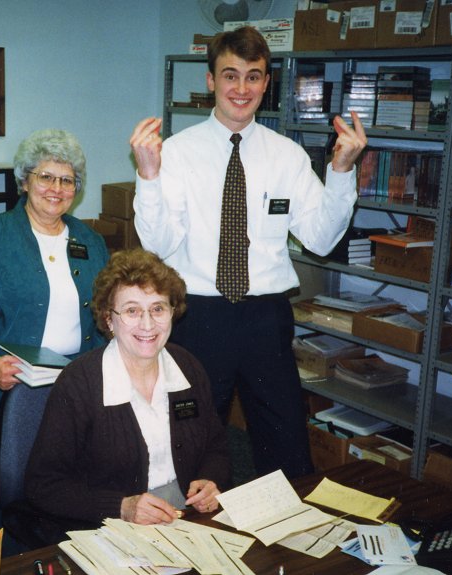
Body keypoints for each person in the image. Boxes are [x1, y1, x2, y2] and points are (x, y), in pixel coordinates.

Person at [129, 26, 368, 480]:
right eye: (231, 75)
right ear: (211, 81)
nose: (242, 88)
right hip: (199, 316)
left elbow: (320, 239)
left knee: (286, 444)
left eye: (253, 77)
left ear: (266, 83)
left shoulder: (287, 156)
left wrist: (340, 171)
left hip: (265, 318)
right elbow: (157, 245)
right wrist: (148, 175)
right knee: (190, 445)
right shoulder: (175, 154)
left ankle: (284, 525)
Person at [0, 128, 109, 562]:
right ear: (25, 180)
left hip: (64, 388)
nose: (56, 188)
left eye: (67, 180)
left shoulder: (89, 241)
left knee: (56, 486)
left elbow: (105, 313)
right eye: (45, 176)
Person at [23, 248, 230, 544]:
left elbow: (216, 446)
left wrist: (211, 479)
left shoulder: (187, 367)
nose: (147, 324)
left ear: (173, 312)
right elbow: (43, 486)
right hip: (109, 527)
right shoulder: (79, 383)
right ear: (109, 319)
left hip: (186, 515)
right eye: (132, 311)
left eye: (158, 308)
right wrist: (121, 506)